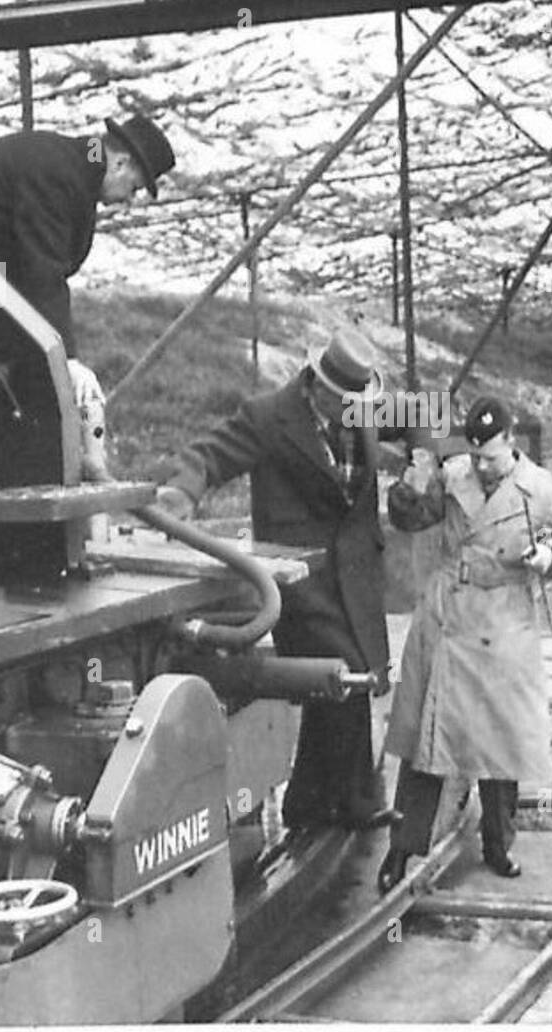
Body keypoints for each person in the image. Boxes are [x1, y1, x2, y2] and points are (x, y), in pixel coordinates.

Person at [158, 326, 398, 832]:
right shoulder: (270, 417)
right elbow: (208, 455)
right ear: (317, 384)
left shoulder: (365, 407)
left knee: (343, 682)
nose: (350, 411)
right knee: (344, 673)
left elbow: (431, 417)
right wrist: (181, 494)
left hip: (355, 574)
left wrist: (438, 455)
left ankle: (320, 801)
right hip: (298, 578)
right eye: (342, 402)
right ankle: (339, 801)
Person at [377, 395, 552, 892]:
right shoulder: (454, 476)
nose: (482, 467)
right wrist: (408, 491)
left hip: (505, 616)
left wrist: (548, 556)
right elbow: (415, 519)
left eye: (491, 457)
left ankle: (498, 844)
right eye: (475, 457)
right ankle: (401, 849)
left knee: (501, 741)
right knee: (427, 740)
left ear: (511, 443)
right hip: (450, 610)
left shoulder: (541, 490)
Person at [0, 112, 176, 415]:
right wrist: (67, 359)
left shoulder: (78, 163)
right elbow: (44, 269)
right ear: (120, 163)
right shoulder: (61, 174)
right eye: (134, 188)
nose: (129, 200)